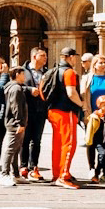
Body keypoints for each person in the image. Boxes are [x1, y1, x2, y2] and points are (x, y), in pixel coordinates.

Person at [44, 46, 87, 189]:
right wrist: (81, 104)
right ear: (70, 57)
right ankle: (63, 175)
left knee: (57, 144)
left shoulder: (51, 71)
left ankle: (57, 174)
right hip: (66, 111)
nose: (76, 59)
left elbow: (42, 90)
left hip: (53, 111)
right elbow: (71, 92)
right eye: (75, 57)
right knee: (69, 144)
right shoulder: (69, 72)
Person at [0, 64, 31, 186]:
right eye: (23, 74)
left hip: (14, 122)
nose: (25, 76)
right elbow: (15, 106)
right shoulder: (16, 88)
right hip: (15, 123)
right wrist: (20, 122)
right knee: (11, 149)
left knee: (16, 148)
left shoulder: (14, 87)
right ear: (17, 75)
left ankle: (15, 174)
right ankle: (4, 174)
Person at [20, 47, 51, 180]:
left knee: (36, 140)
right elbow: (15, 86)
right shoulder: (22, 71)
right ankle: (23, 166)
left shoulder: (47, 73)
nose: (45, 58)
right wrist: (29, 89)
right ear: (34, 57)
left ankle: (34, 167)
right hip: (26, 109)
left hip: (41, 110)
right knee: (25, 139)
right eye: (43, 55)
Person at [83, 91, 105, 184]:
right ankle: (95, 173)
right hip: (96, 139)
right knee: (100, 155)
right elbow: (90, 129)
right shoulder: (94, 116)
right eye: (104, 105)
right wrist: (88, 140)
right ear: (99, 106)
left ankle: (104, 173)